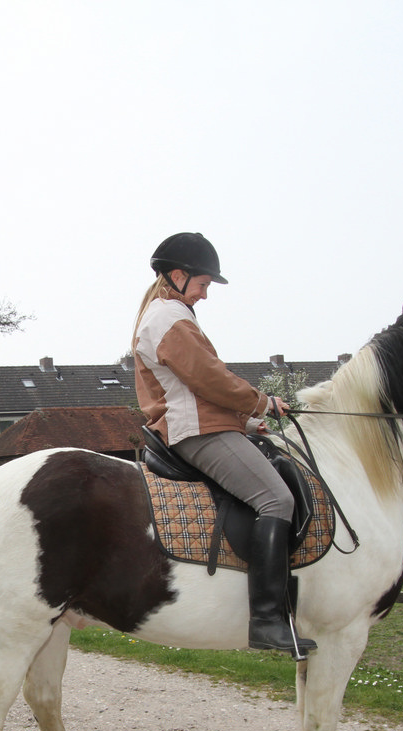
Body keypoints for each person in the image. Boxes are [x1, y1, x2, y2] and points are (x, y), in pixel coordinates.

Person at [130, 232, 313, 660]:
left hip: (201, 423)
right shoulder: (169, 318)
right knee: (277, 500)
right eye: (203, 284)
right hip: (196, 432)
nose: (205, 294)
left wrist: (248, 422)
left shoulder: (168, 315)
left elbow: (194, 389)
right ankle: (267, 619)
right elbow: (209, 379)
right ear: (178, 275)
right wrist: (261, 402)